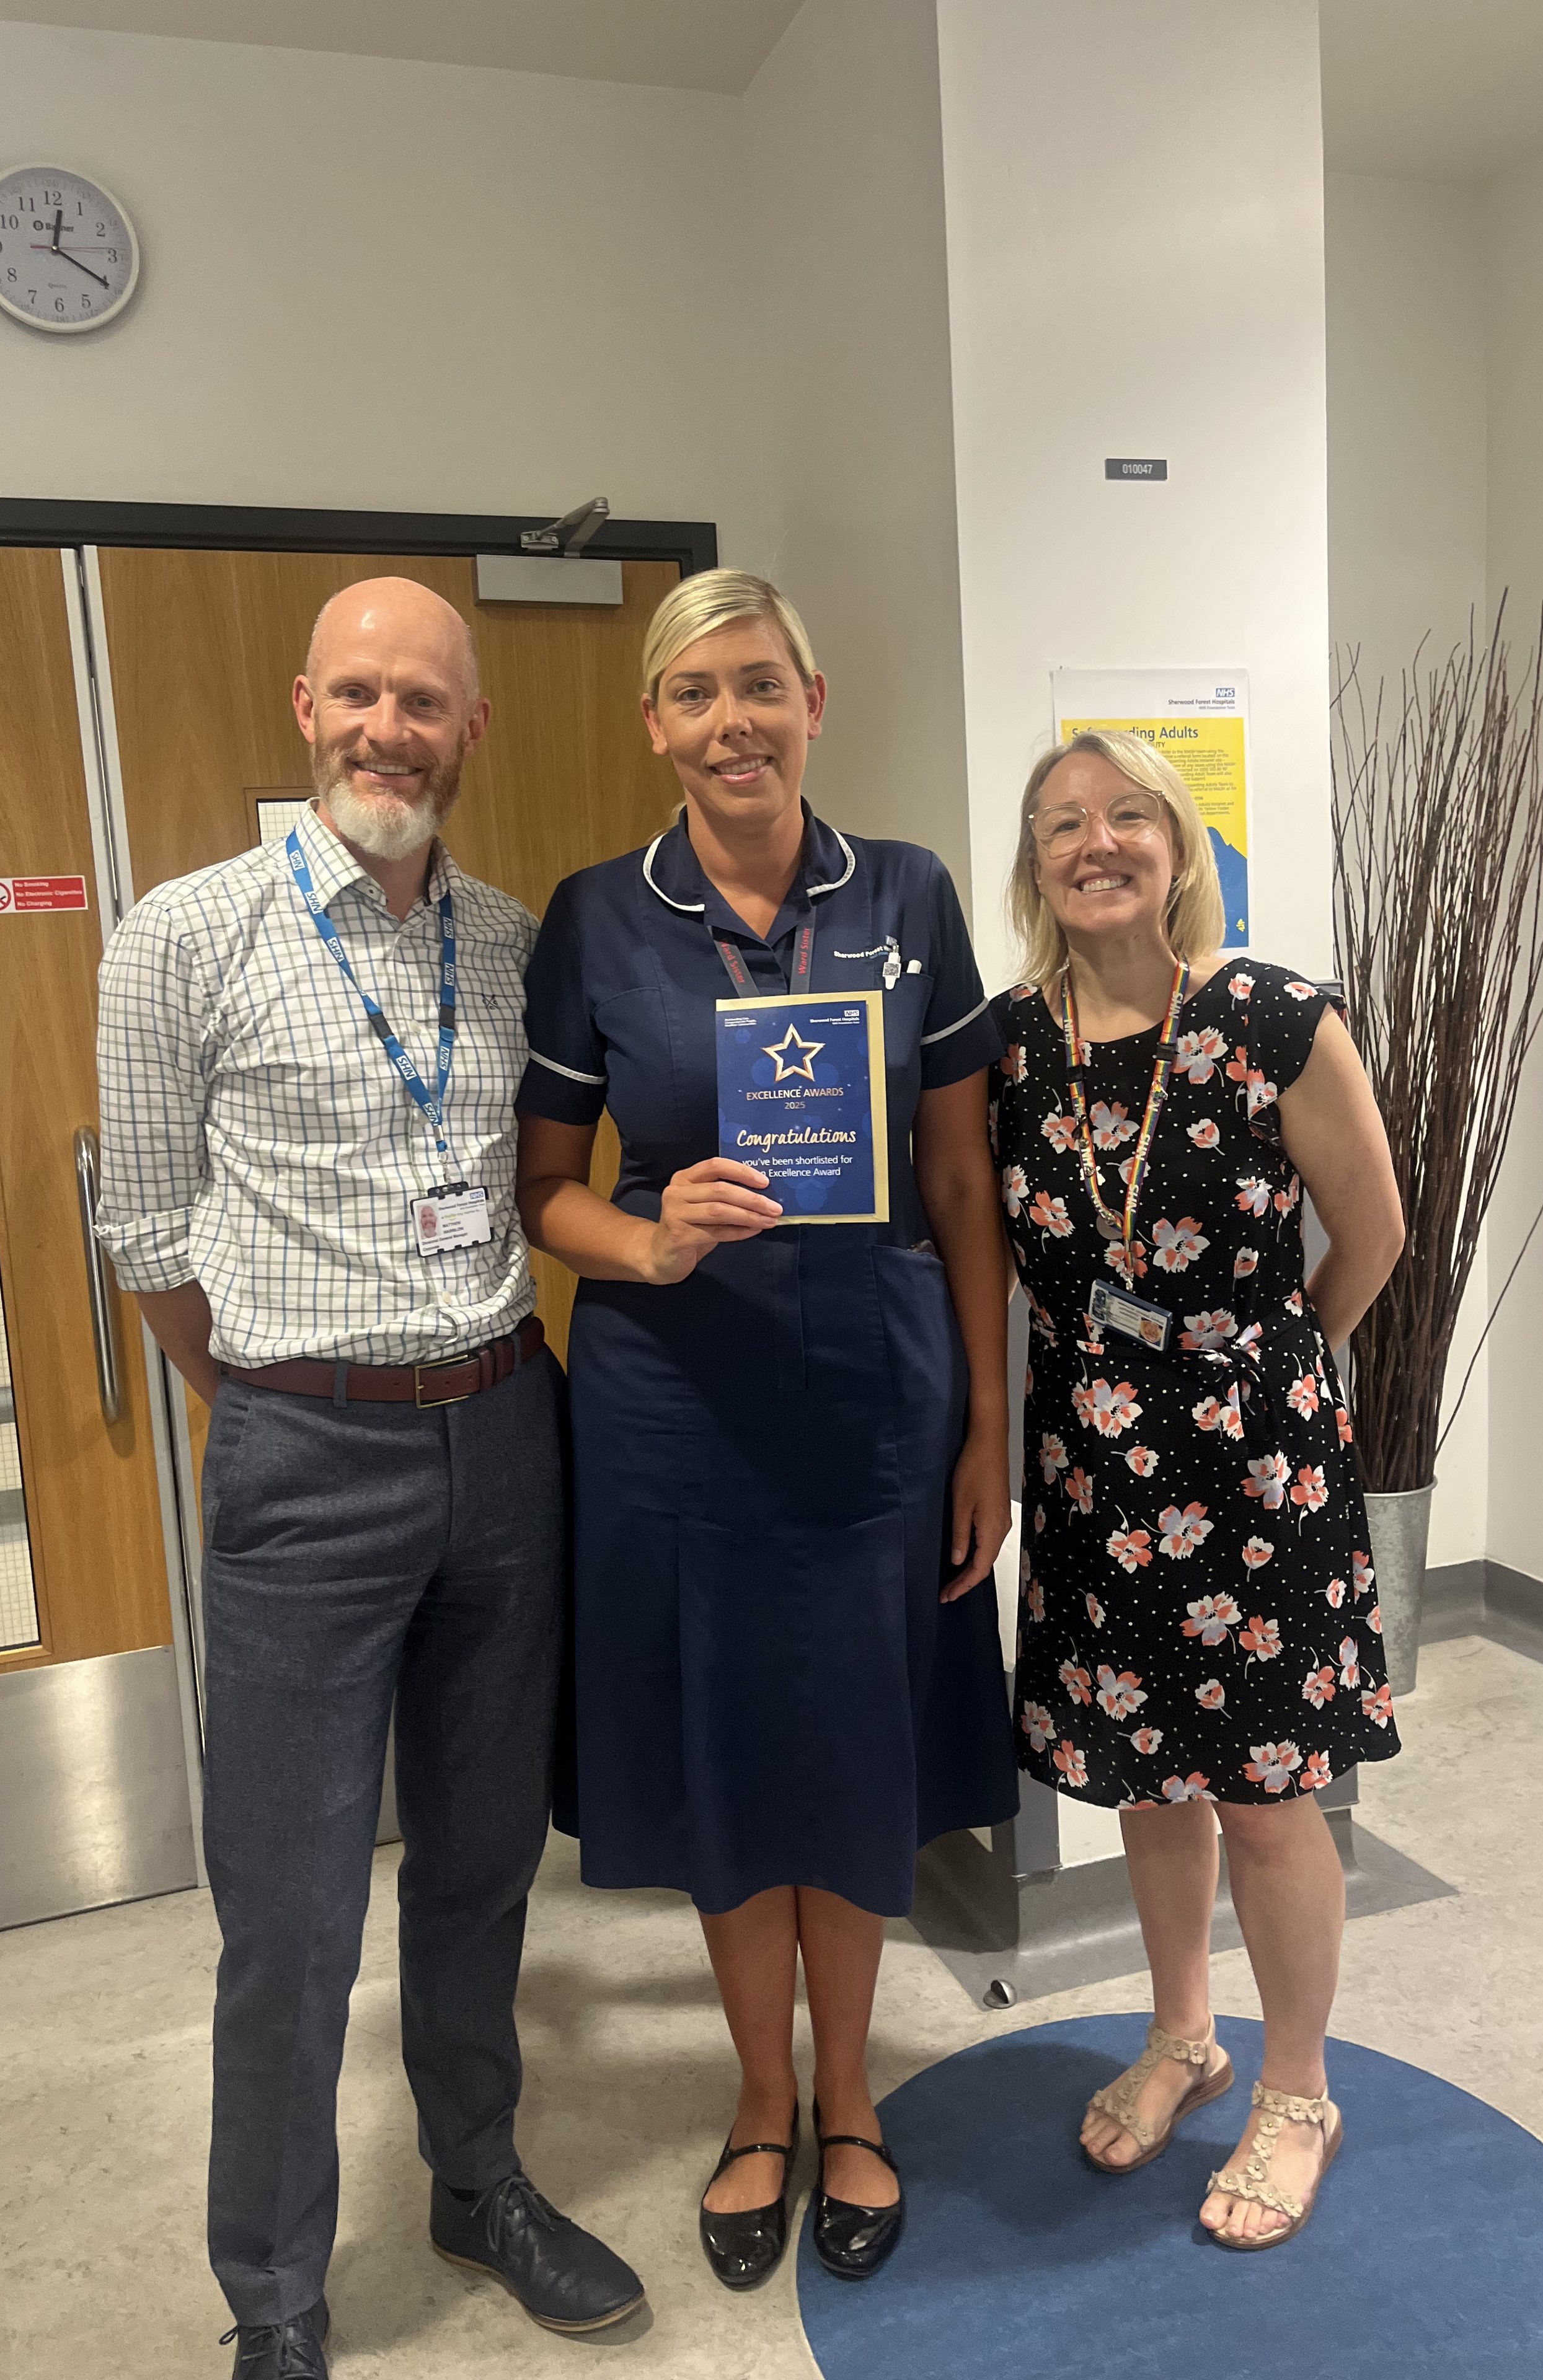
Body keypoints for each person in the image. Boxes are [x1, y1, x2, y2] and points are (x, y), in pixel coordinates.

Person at [94, 579, 643, 2379]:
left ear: (469, 726)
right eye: (358, 695)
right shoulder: (183, 935)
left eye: (421, 701)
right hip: (304, 1454)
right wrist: (282, 1400)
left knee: (483, 1860)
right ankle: (274, 2296)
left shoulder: (512, 942)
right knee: (293, 1911)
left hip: (505, 1433)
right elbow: (147, 1230)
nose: (386, 730)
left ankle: (475, 2180)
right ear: (305, 706)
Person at [515, 570, 1019, 2290]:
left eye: (759, 684)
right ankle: (756, 2101)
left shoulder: (909, 895)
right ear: (654, 722)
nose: (732, 721)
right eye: (695, 692)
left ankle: (852, 2095)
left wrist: (988, 1423)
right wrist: (648, 1239)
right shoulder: (598, 917)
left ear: (815, 699)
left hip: (878, 1394)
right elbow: (544, 1192)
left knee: (854, 1745)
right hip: (677, 1406)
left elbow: (961, 1181)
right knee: (730, 1749)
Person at [991, 731, 1404, 2250]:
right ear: (1033, 865)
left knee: (1270, 1795)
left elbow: (1373, 1232)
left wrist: (1272, 1373)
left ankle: (1297, 2089)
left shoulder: (1275, 1018)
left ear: (1178, 845)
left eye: (1126, 817)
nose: (1095, 843)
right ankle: (1183, 2035)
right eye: (1061, 825)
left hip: (1256, 1463)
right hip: (1095, 1464)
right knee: (1147, 1777)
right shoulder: (1006, 1047)